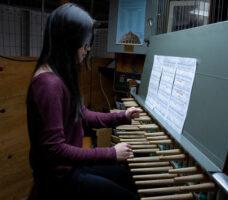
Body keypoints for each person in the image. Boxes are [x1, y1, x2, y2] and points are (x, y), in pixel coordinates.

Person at [26, 3, 141, 200]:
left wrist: (122, 116)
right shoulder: (48, 85)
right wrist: (110, 153)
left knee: (129, 177)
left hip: (72, 168)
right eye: (84, 42)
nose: (87, 49)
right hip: (59, 180)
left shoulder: (60, 75)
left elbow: (83, 115)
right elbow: (56, 150)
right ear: (68, 41)